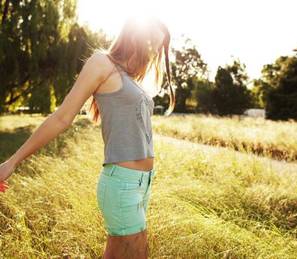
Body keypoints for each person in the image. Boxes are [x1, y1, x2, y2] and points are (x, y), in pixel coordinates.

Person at [0, 16, 175, 259]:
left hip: (142, 182)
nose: (153, 50)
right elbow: (61, 118)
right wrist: (12, 161)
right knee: (138, 253)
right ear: (133, 34)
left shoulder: (130, 78)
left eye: (157, 46)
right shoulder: (102, 63)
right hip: (122, 183)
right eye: (150, 42)